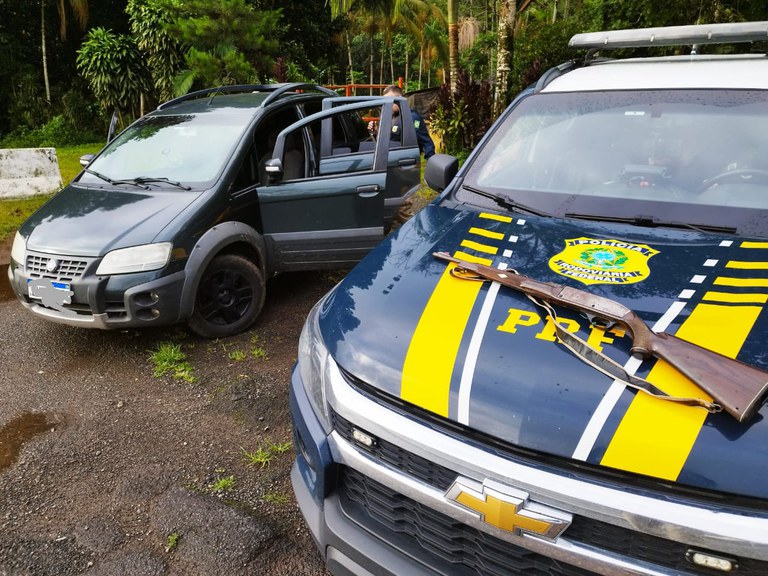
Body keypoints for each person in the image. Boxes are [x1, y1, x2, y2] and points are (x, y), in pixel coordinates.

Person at [373, 85, 436, 160]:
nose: (387, 104)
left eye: (390, 101)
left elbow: (426, 142)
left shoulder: (412, 117)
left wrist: (431, 161)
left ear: (400, 99)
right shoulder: (391, 116)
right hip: (386, 158)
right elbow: (388, 140)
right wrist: (376, 131)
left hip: (401, 161)